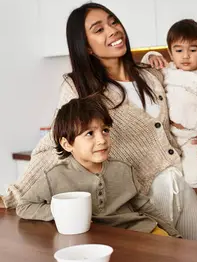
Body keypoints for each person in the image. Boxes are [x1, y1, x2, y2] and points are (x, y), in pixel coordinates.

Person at [2, 3, 197, 240]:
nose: (113, 31)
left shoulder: (150, 75)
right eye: (99, 30)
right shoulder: (80, 87)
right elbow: (54, 143)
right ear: (87, 47)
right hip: (140, 196)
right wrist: (15, 195)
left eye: (113, 22)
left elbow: (191, 96)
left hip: (179, 179)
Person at [17, 97, 180, 237]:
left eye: (105, 130)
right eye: (90, 133)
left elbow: (144, 206)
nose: (102, 140)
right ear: (67, 144)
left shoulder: (123, 169)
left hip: (140, 231)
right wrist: (62, 212)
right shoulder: (54, 176)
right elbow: (24, 206)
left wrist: (173, 234)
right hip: (98, 239)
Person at [142, 19, 197, 205]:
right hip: (167, 137)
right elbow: (145, 69)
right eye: (179, 50)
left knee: (196, 180)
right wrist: (151, 56)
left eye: (193, 50)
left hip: (193, 138)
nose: (185, 56)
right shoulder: (168, 71)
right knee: (174, 179)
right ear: (170, 53)